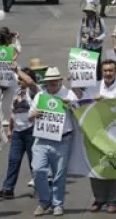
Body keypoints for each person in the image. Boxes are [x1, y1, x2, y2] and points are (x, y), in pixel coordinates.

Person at [28, 67, 79, 217]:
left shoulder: (68, 94)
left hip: (62, 140)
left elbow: (79, 112)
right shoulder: (40, 96)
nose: (52, 83)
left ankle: (57, 203)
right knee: (38, 170)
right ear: (46, 82)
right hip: (42, 138)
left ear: (60, 80)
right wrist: (34, 114)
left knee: (59, 174)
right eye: (50, 81)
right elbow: (29, 117)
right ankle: (44, 201)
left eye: (55, 80)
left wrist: (71, 105)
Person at [87, 60, 116, 214]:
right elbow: (84, 105)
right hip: (96, 133)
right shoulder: (93, 86)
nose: (107, 73)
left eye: (111, 70)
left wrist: (105, 101)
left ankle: (113, 201)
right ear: (101, 71)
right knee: (96, 166)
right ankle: (99, 199)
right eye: (105, 70)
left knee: (115, 168)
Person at [0, 63, 38, 199]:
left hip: (31, 131)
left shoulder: (34, 92)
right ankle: (8, 188)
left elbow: (30, 82)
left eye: (22, 79)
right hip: (17, 131)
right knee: (13, 160)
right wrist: (10, 129)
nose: (20, 81)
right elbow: (13, 112)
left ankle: (40, 187)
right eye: (19, 79)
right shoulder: (17, 92)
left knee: (35, 161)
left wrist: (17, 70)